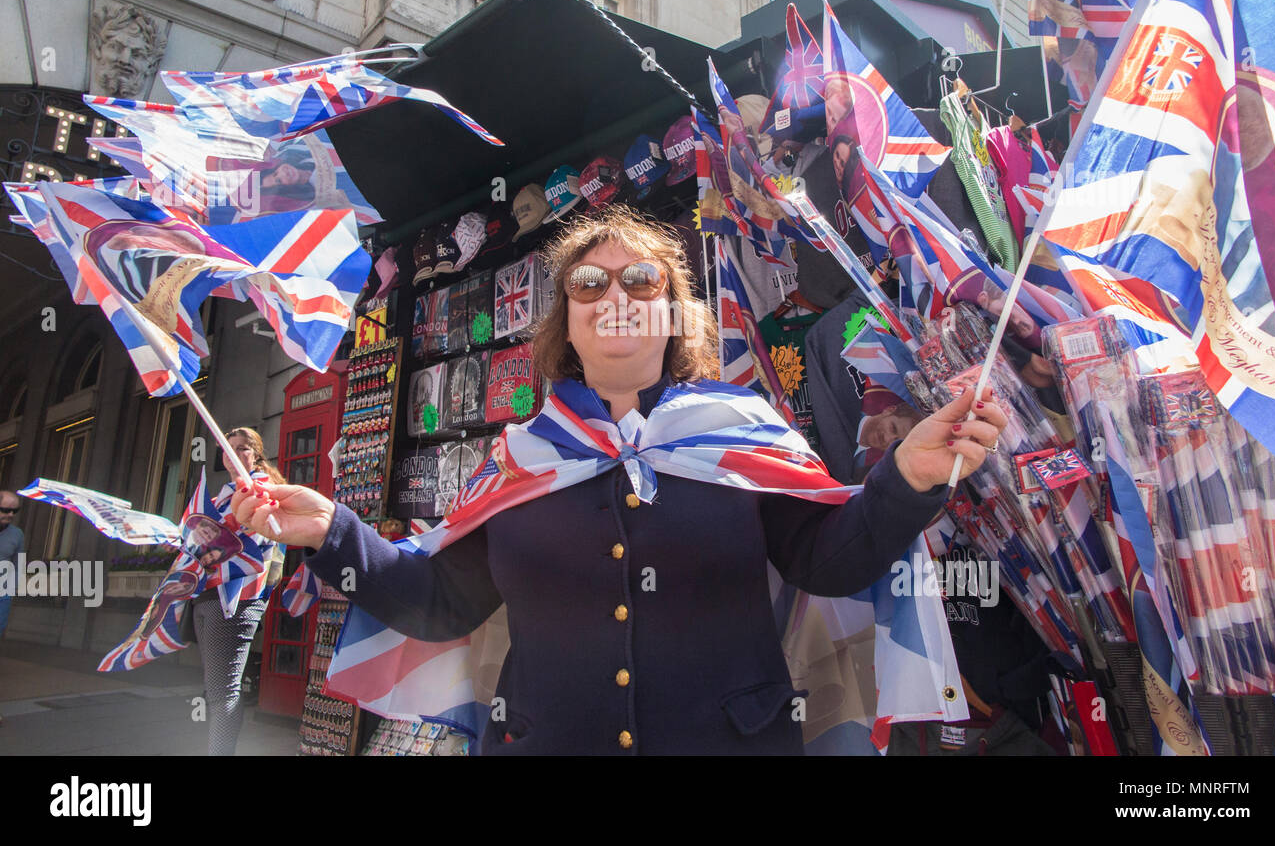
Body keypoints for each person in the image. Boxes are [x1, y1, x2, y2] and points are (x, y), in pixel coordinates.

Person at [231, 206, 1008, 755]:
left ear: (673, 313)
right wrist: (329, 530)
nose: (615, 297)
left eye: (641, 280)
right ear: (564, 323)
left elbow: (828, 561)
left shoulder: (743, 430)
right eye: (588, 285)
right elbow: (441, 602)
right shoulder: (521, 456)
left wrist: (908, 476)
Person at [192, 428, 286, 756]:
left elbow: (254, 542)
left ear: (255, 454)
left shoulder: (262, 490)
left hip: (236, 598)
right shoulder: (223, 492)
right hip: (207, 595)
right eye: (227, 449)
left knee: (224, 693)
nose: (233, 455)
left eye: (242, 449)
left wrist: (209, 537)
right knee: (214, 690)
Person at [0, 490, 24, 639]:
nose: (11, 515)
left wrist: (11, 589)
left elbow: (18, 564)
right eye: (5, 510)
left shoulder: (17, 534)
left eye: (15, 511)